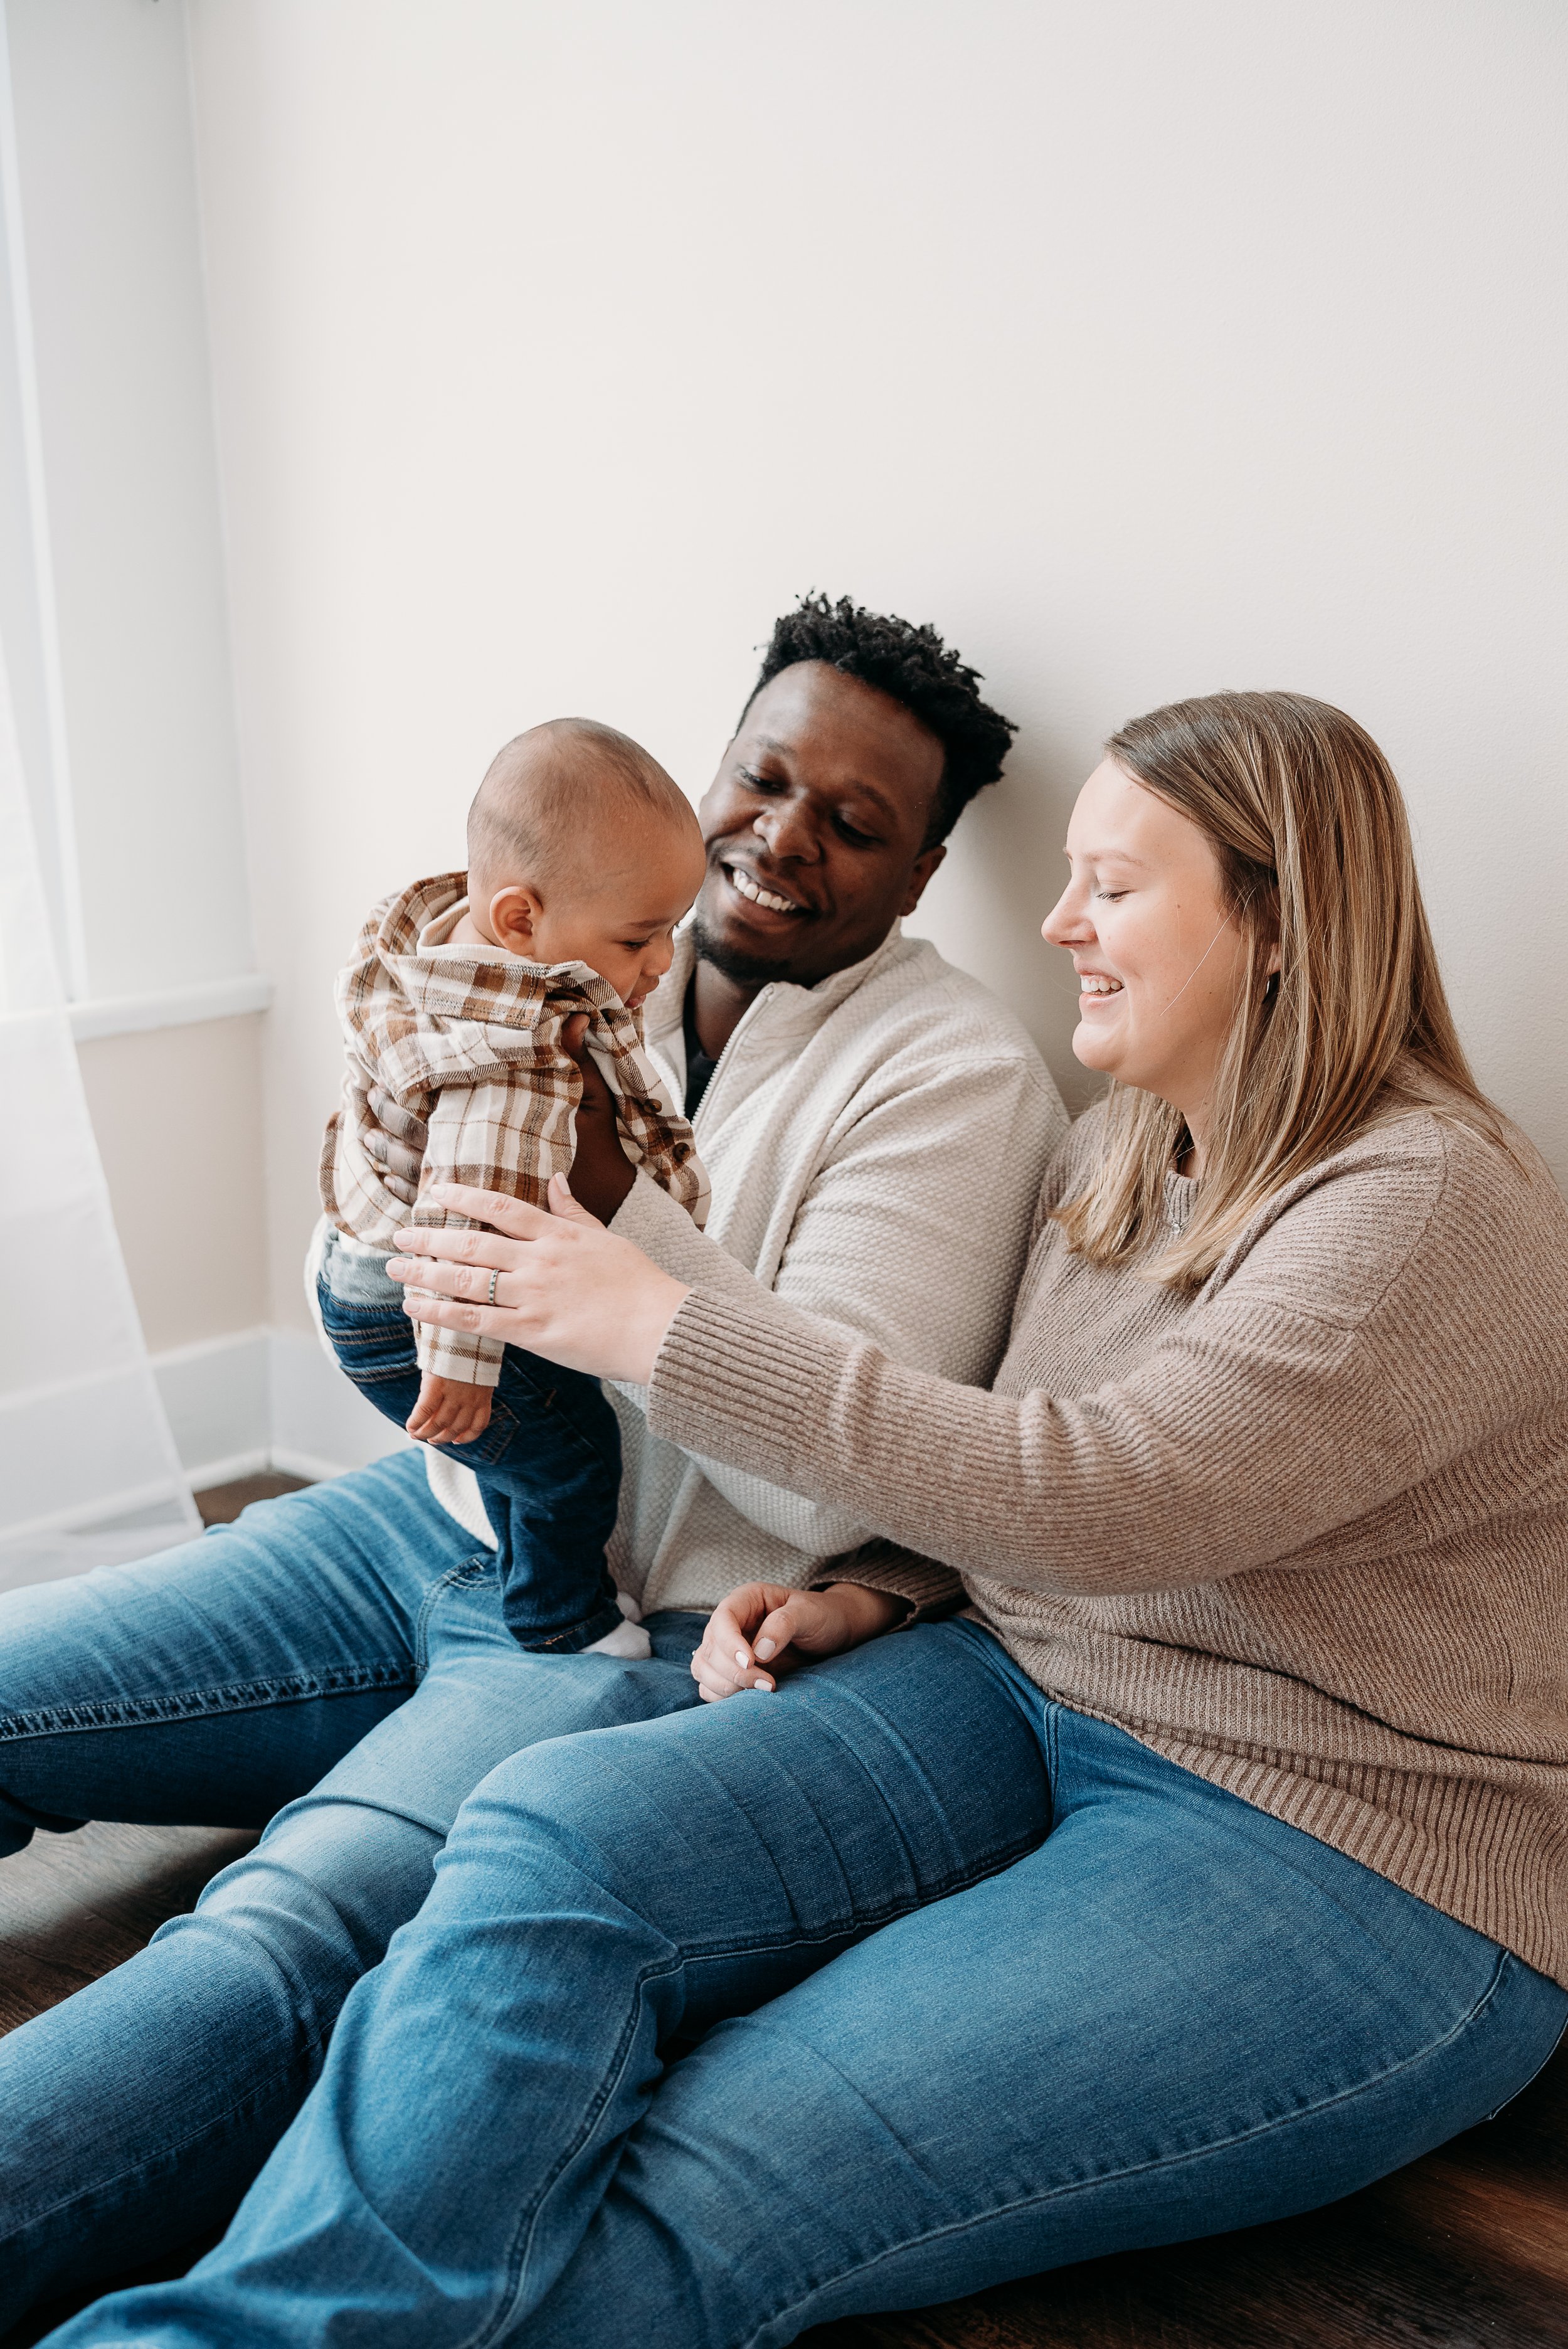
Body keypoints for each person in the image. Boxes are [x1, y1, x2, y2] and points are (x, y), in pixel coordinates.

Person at [63, 689, 1567, 2348]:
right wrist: (891, 1583)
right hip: (1019, 1683)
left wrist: (645, 1319)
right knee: (544, 1838)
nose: (1058, 921)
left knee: (705, 2179)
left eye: (1114, 886)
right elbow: (1025, 1465)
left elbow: (1111, 1488)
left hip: (1340, 1832)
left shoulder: (1423, 1206)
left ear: (1280, 918)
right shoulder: (1123, 1150)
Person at [0, 595, 1064, 2330]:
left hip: (625, 1626)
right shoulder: (547, 946)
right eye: (762, 775)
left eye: (854, 821)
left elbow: (832, 1487)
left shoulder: (952, 1077)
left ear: (922, 872)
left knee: (284, 1925)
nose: (781, 836)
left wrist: (604, 1191)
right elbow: (354, 1269)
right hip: (418, 1528)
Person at [319, 716, 709, 1658]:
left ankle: (521, 1566)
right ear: (521, 920)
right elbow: (466, 1211)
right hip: (423, 1306)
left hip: (361, 1269)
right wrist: (456, 1363)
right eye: (639, 937)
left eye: (672, 932)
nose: (662, 962)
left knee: (530, 1440)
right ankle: (562, 1619)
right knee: (576, 1459)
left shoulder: (428, 951)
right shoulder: (512, 1064)